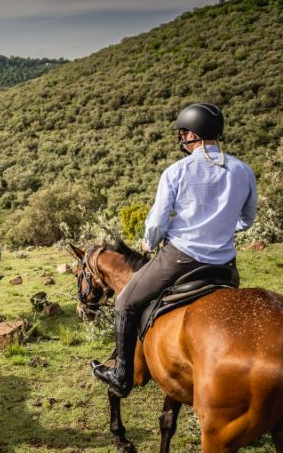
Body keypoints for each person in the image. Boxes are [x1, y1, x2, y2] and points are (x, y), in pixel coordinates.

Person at [91, 103, 257, 398]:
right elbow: (246, 220)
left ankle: (121, 375)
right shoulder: (243, 171)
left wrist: (149, 243)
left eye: (182, 133)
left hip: (180, 258)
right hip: (224, 265)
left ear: (192, 134)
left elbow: (155, 223)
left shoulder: (177, 170)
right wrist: (220, 226)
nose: (181, 139)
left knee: (125, 302)